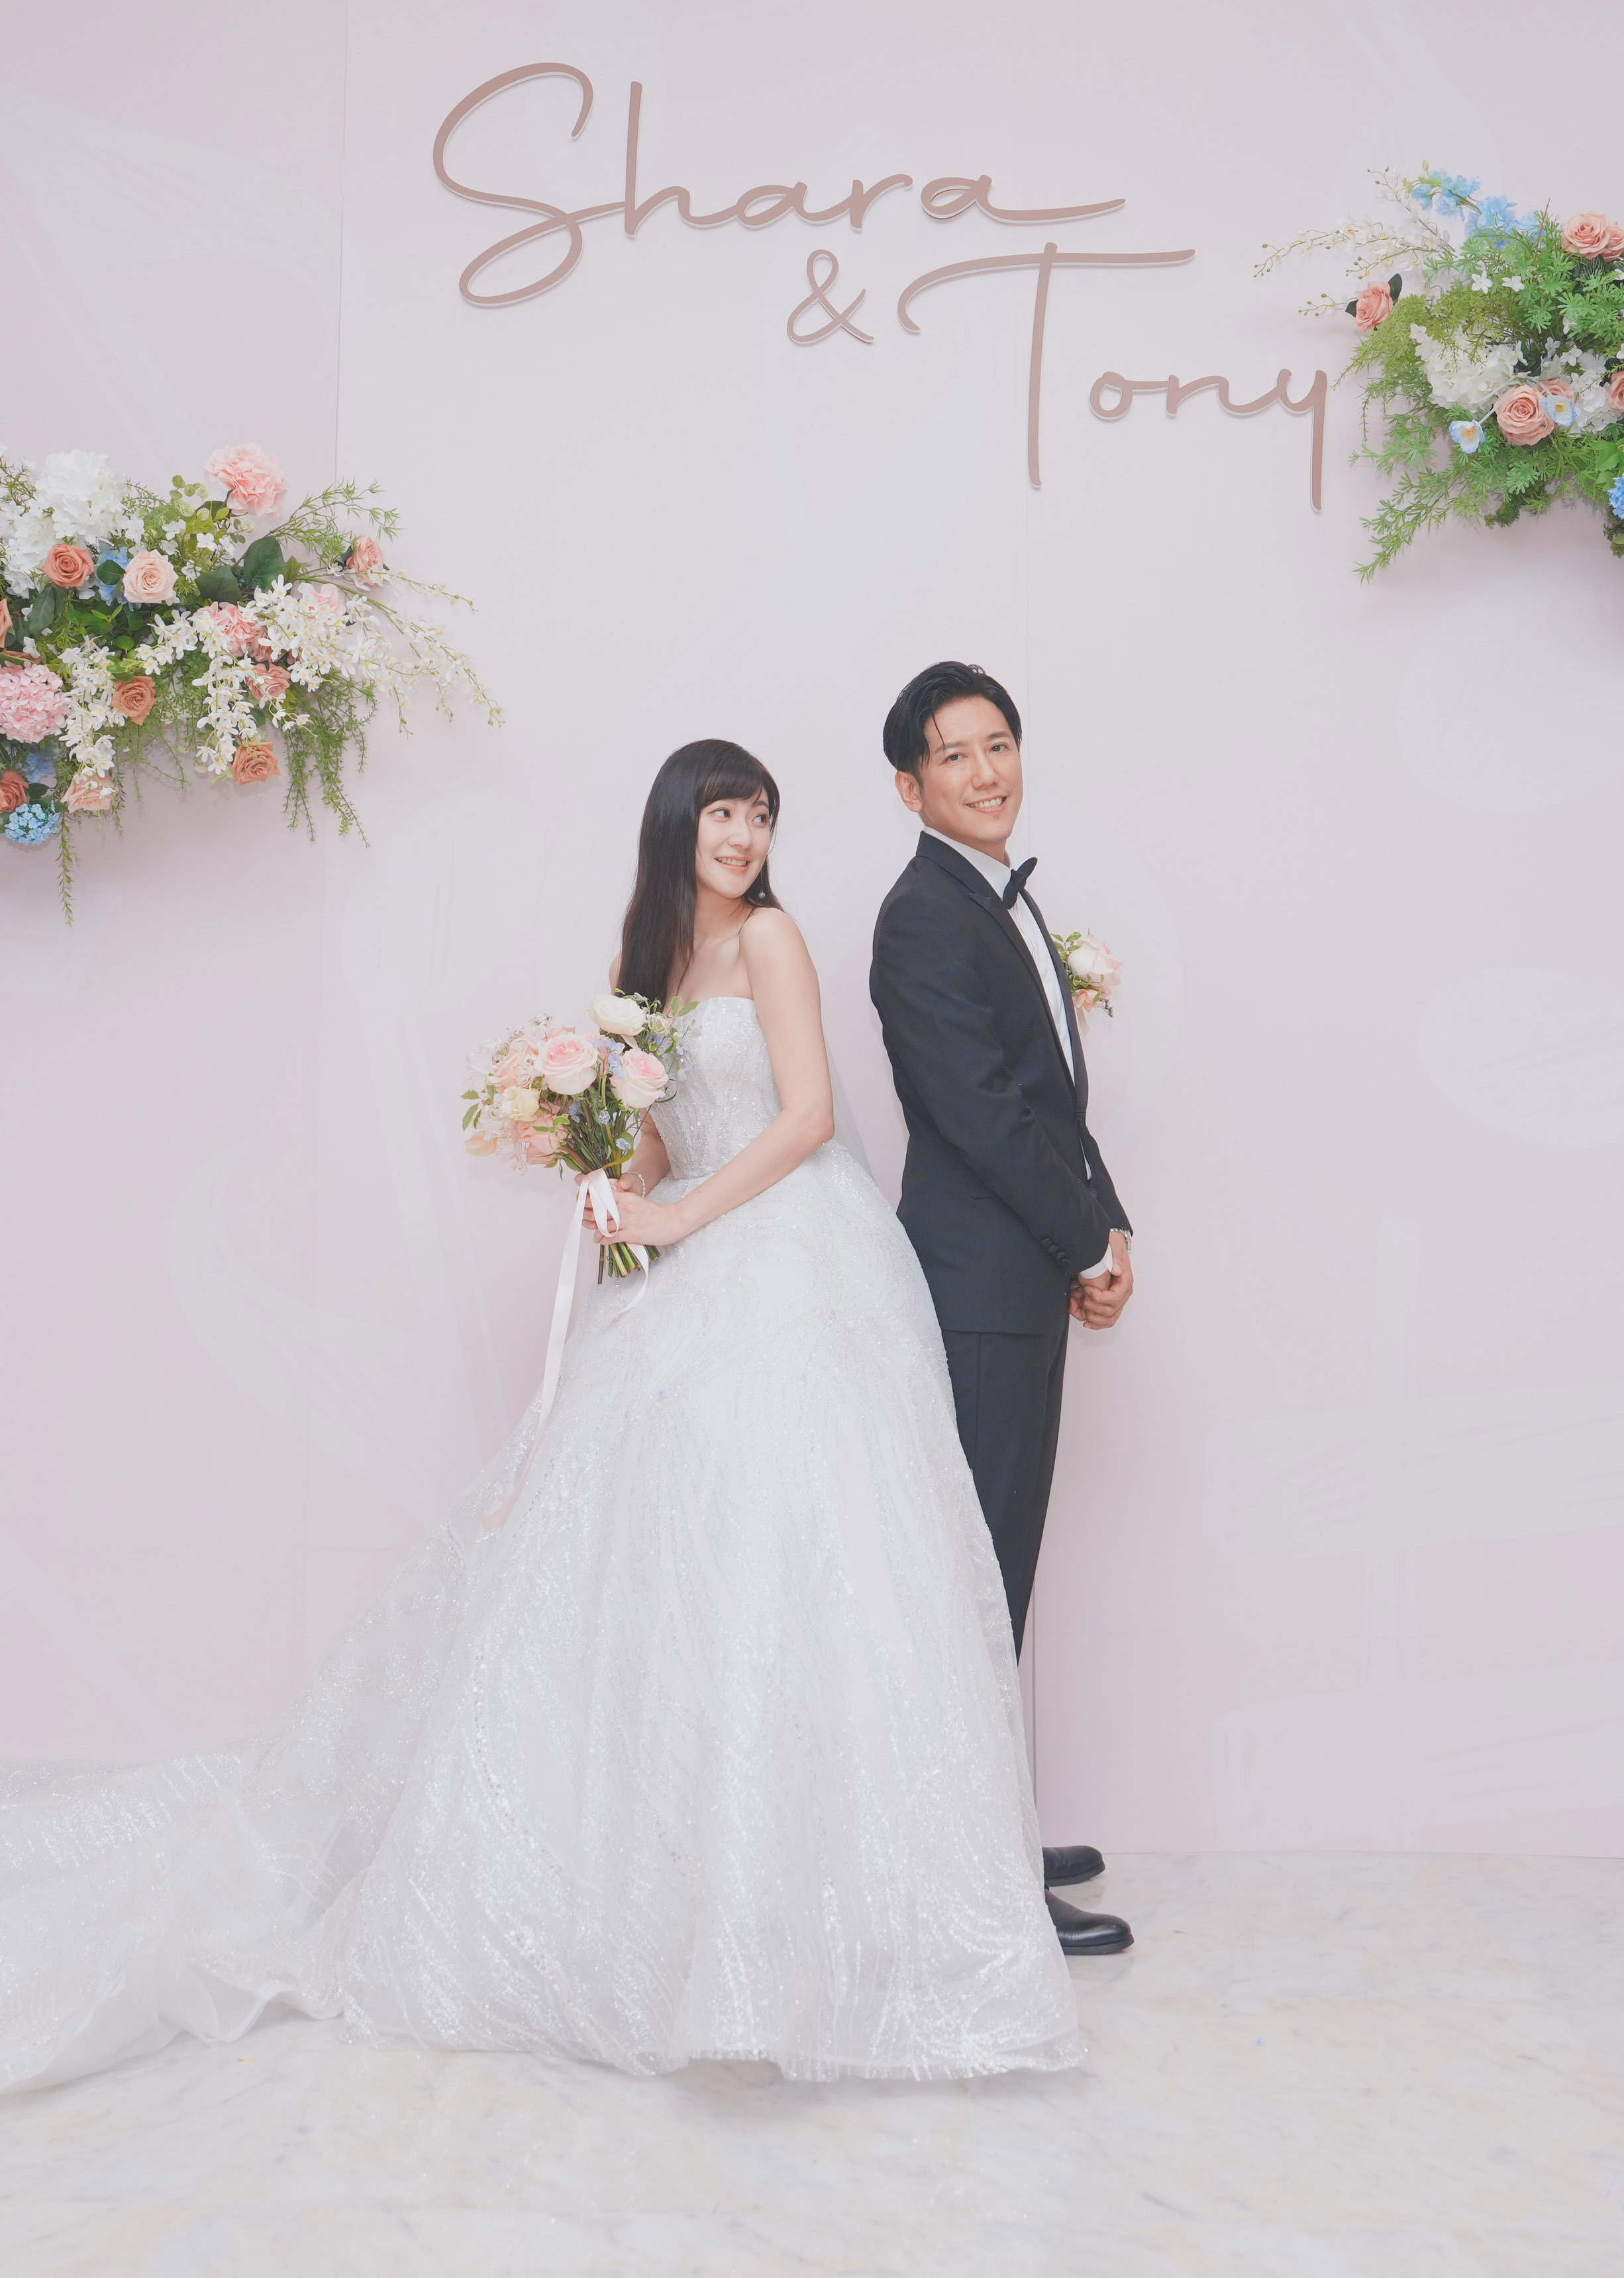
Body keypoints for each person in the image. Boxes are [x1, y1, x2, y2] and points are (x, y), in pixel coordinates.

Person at [0, 737, 1084, 2094]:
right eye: (723, 814)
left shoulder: (772, 939)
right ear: (676, 825)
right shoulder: (649, 968)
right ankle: (666, 1891)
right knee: (651, 1559)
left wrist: (679, 1216)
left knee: (799, 1547)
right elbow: (666, 1137)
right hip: (695, 1254)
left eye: (759, 815)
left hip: (792, 1259)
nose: (743, 837)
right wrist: (602, 1161)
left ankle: (830, 1913)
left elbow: (806, 1117)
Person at [870, 662, 1136, 1957]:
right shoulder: (921, 916)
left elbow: (1049, 1099)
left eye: (998, 745)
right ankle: (971, 1877)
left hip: (1019, 1278)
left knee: (998, 1568)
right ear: (908, 786)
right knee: (973, 1582)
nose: (984, 772)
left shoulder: (994, 897)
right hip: (976, 1290)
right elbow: (977, 1112)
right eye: (953, 755)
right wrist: (1080, 1237)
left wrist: (1107, 1222)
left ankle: (987, 1829)